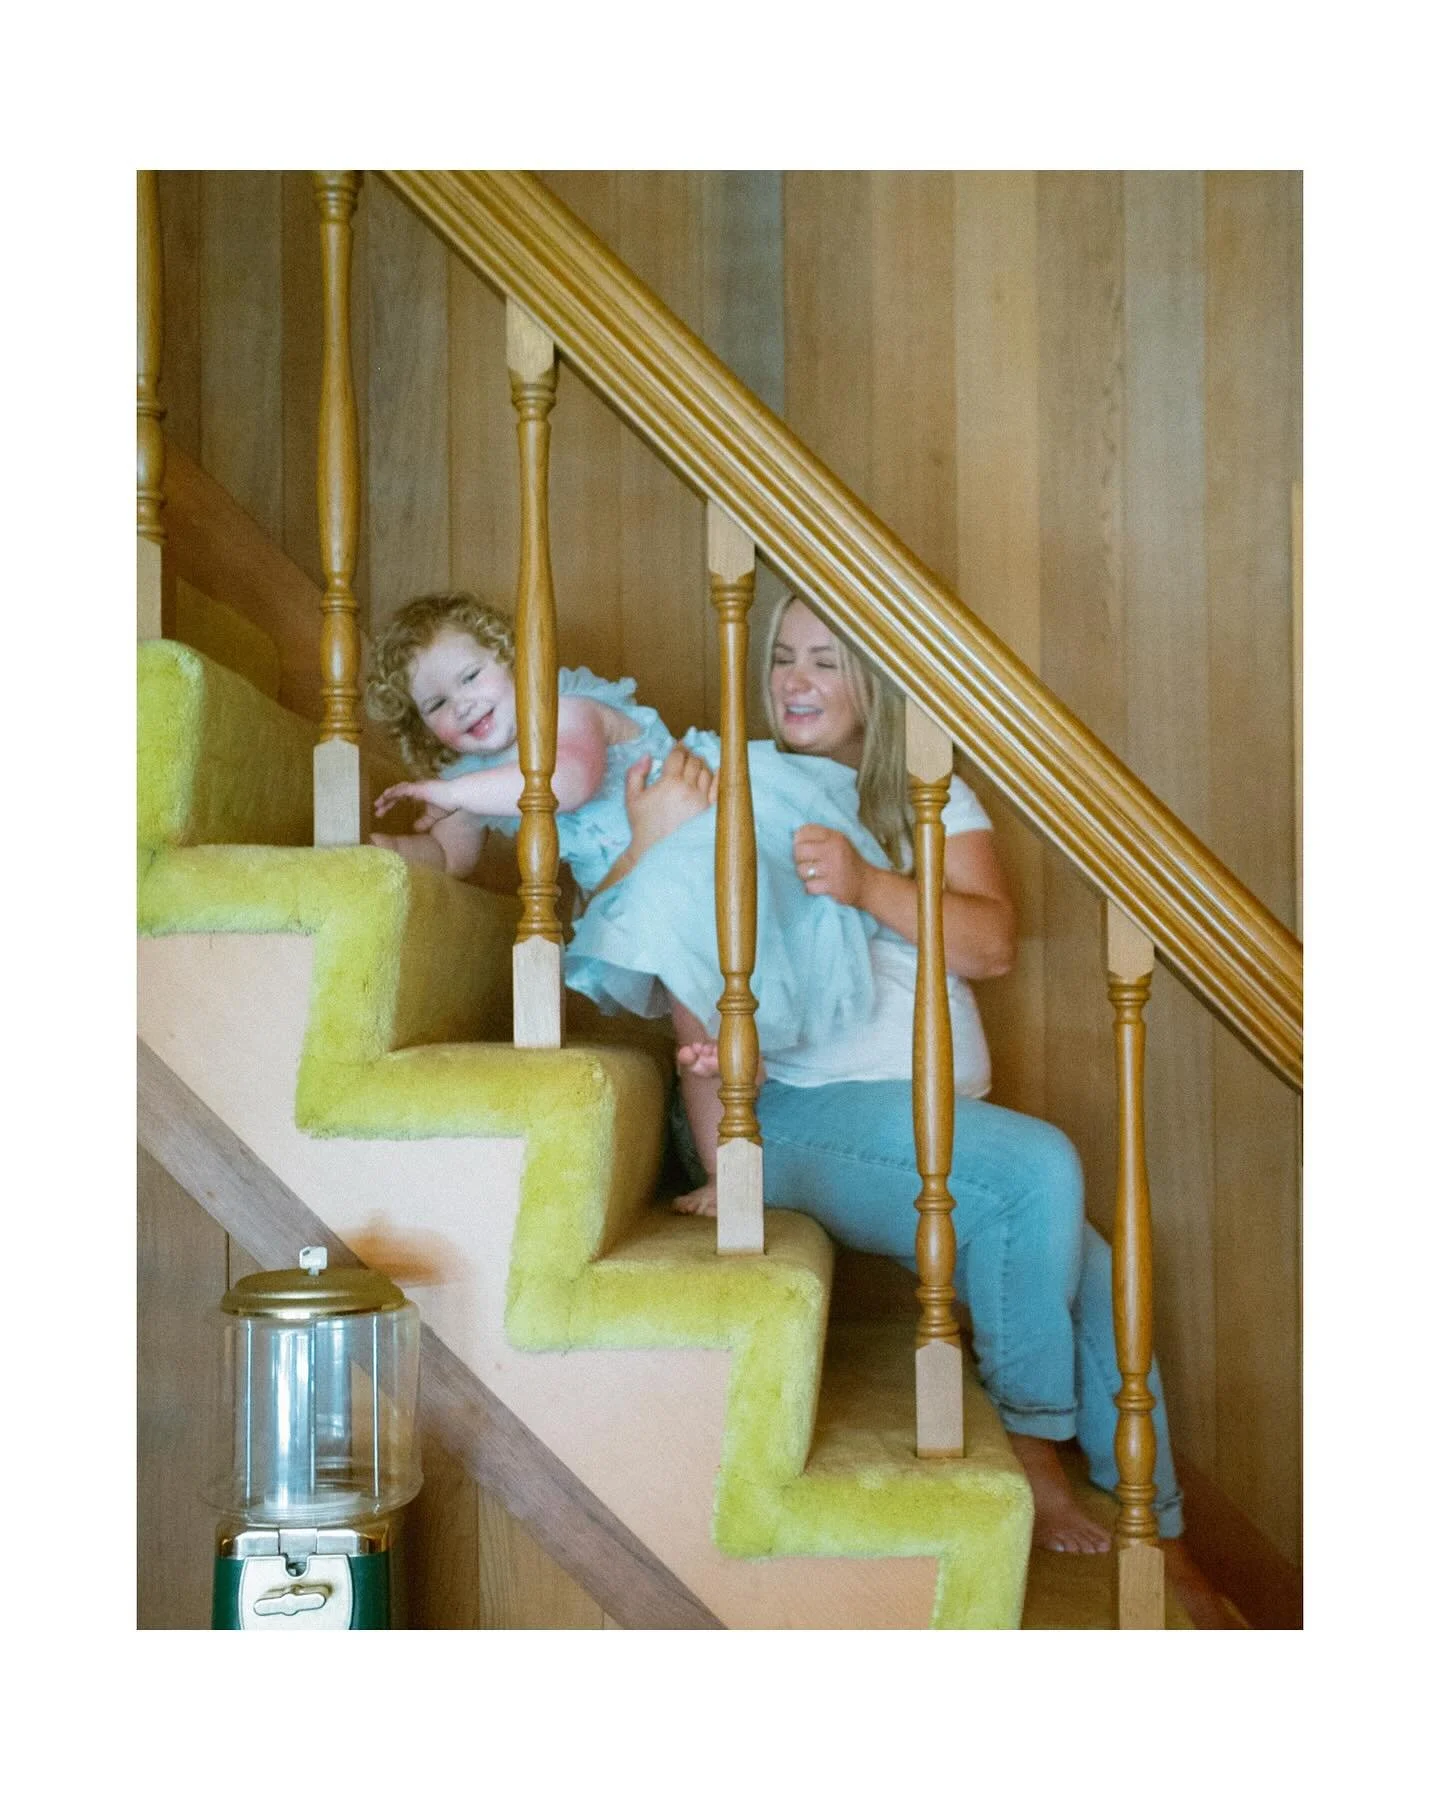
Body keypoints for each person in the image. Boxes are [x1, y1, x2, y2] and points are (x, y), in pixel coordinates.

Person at [608, 593, 1235, 1626]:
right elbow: (640, 944)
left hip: (927, 1130)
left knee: (1094, 1268)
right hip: (807, 1114)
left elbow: (987, 944)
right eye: (781, 662)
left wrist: (866, 884)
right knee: (1035, 1170)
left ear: (874, 686)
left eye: (825, 662)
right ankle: (1031, 1458)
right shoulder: (746, 789)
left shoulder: (928, 793)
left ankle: (1156, 1534)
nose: (796, 682)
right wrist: (647, 840)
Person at [365, 592, 891, 1174]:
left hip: (705, 830)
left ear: (512, 660)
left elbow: (567, 780)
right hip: (652, 879)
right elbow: (449, 854)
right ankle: (724, 1170)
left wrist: (446, 793)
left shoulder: (565, 710)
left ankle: (742, 1052)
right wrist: (388, 849)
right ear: (424, 726)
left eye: (471, 676)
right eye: (438, 702)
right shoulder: (477, 781)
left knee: (702, 990)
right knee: (689, 1030)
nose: (463, 705)